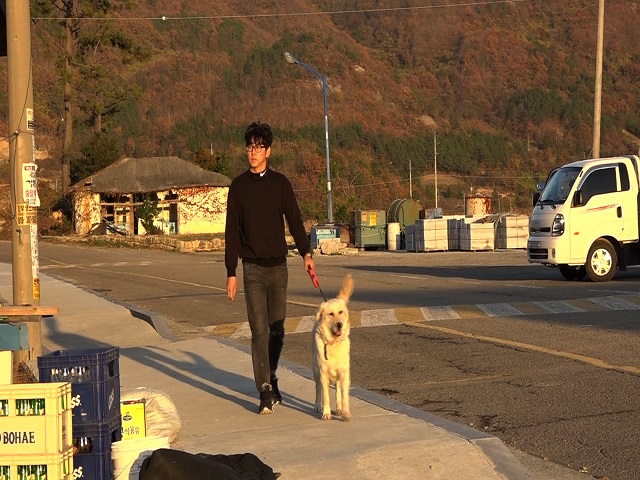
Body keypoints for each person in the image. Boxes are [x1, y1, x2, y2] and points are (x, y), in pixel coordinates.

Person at [225, 121, 315, 415]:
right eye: (250, 147)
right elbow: (231, 231)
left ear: (268, 151)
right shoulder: (238, 187)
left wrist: (306, 253)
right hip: (252, 269)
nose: (253, 152)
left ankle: (271, 376)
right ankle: (264, 390)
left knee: (277, 331)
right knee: (259, 331)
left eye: (259, 147)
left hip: (278, 268)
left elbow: (295, 220)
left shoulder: (280, 185)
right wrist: (231, 271)